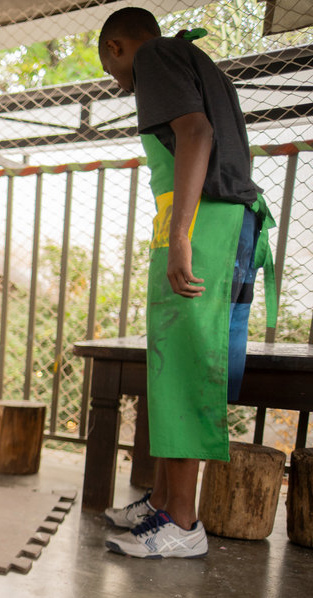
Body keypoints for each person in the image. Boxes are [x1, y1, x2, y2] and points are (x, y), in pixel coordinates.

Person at [98, 8, 274, 558]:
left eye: (109, 67)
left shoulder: (154, 57)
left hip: (205, 224)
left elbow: (195, 132)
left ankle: (183, 522)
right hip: (218, 221)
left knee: (187, 365)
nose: (115, 81)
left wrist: (181, 237)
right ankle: (165, 502)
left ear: (117, 46)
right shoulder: (192, 59)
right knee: (174, 364)